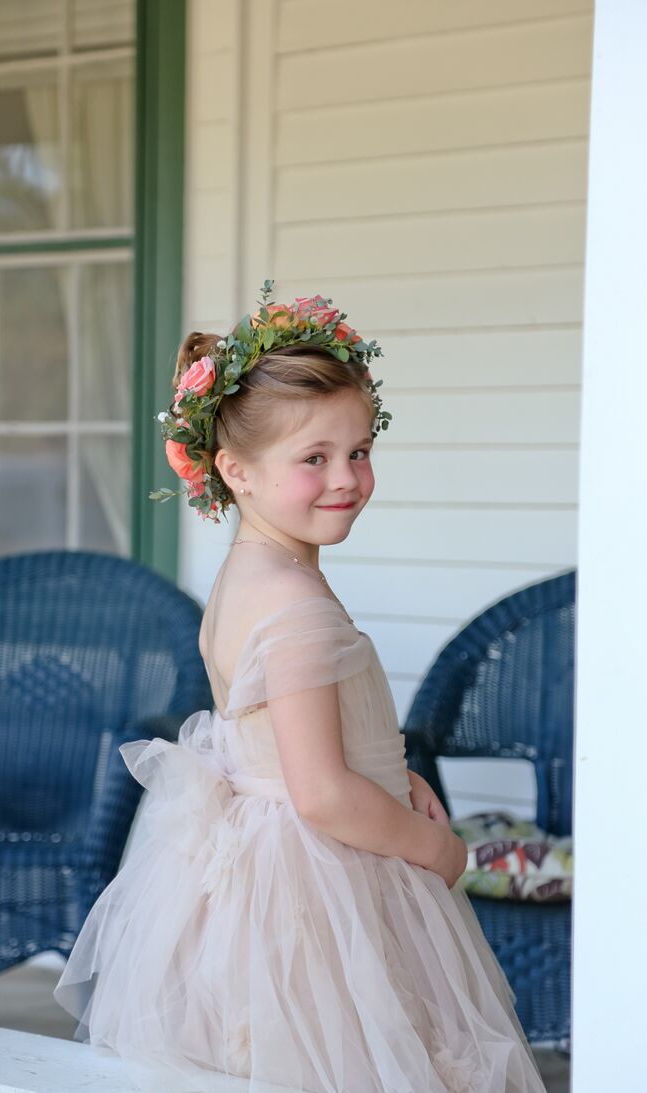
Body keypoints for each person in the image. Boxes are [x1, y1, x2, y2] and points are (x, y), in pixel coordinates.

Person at [53, 283, 548, 1093]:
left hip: (261, 873)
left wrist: (392, 775)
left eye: (358, 450)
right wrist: (435, 847)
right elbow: (318, 793)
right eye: (312, 458)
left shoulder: (251, 574)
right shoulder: (294, 599)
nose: (345, 477)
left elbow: (277, 742)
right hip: (321, 886)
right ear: (233, 470)